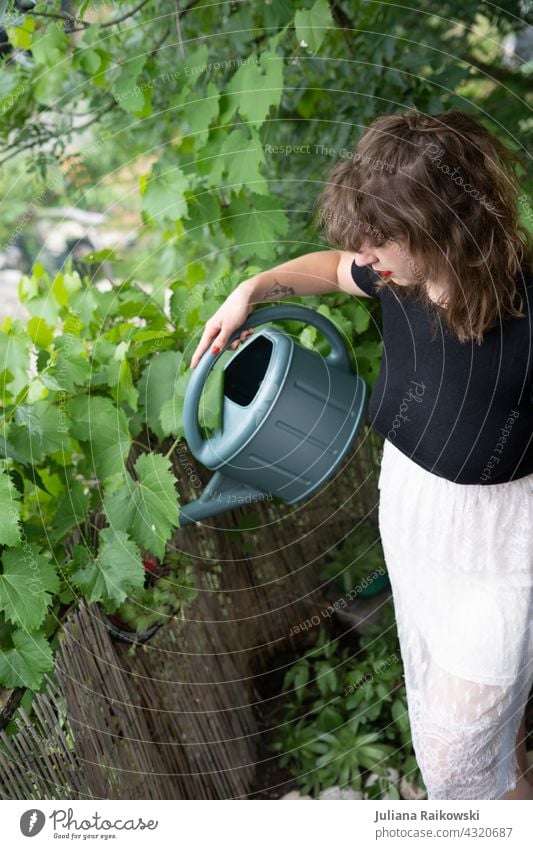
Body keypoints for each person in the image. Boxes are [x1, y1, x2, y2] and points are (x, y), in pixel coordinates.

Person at [190, 107, 533, 801]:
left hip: (501, 547)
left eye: (379, 238)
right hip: (414, 520)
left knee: (451, 759)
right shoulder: (393, 276)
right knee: (492, 722)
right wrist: (251, 288)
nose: (363, 251)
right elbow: (327, 268)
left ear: (437, 227)